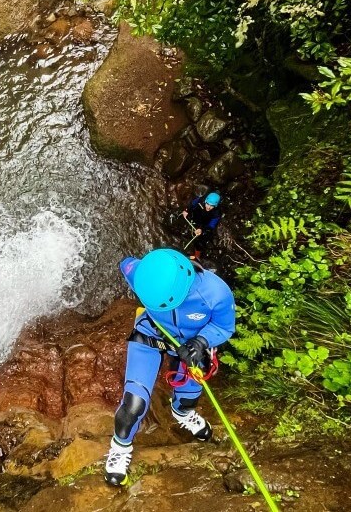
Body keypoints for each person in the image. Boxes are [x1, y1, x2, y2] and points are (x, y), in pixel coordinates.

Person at [104, 248, 235, 486]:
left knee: (188, 399)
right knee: (133, 405)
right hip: (149, 337)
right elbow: (126, 263)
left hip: (190, 347)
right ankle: (119, 448)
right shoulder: (139, 273)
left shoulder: (215, 293)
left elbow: (224, 327)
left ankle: (182, 413)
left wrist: (201, 342)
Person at [181, 191, 222, 260]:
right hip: (195, 218)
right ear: (205, 201)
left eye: (212, 206)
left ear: (215, 206)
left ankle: (197, 257)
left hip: (204, 225)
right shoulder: (200, 200)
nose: (208, 207)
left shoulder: (216, 213)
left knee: (200, 241)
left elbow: (211, 226)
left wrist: (202, 229)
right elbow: (192, 204)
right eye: (208, 204)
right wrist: (186, 210)